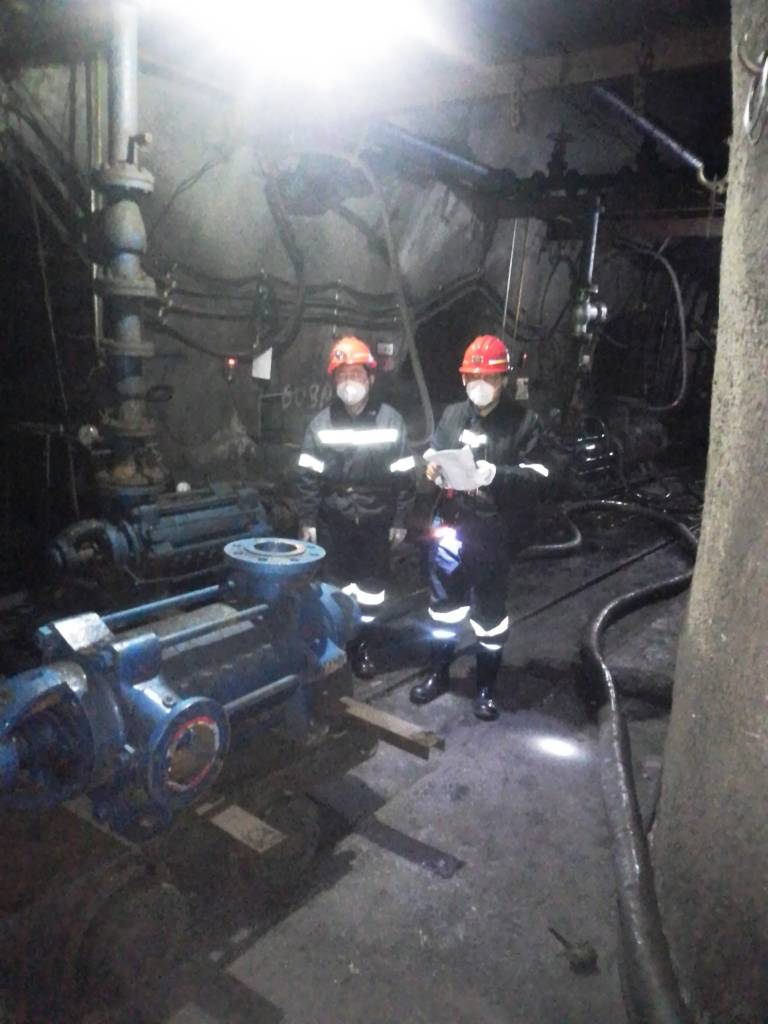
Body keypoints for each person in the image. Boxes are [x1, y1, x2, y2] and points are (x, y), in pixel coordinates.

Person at [410, 334, 551, 720]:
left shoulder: (524, 423)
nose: (480, 384)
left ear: (503, 380)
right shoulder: (453, 415)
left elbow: (541, 477)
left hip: (492, 533)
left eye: (488, 377)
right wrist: (433, 470)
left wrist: (497, 474)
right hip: (452, 526)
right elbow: (435, 451)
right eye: (473, 376)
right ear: (464, 378)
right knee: (443, 610)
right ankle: (438, 674)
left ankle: (486, 688)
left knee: (489, 617)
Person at [296, 336, 416, 678]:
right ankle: (336, 648)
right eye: (343, 375)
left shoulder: (390, 421)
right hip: (334, 521)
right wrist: (307, 519)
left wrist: (400, 520)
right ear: (334, 381)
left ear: (370, 378)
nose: (349, 382)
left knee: (371, 591)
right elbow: (307, 477)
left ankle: (363, 646)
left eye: (356, 375)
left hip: (377, 521)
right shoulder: (320, 424)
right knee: (333, 587)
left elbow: (405, 477)